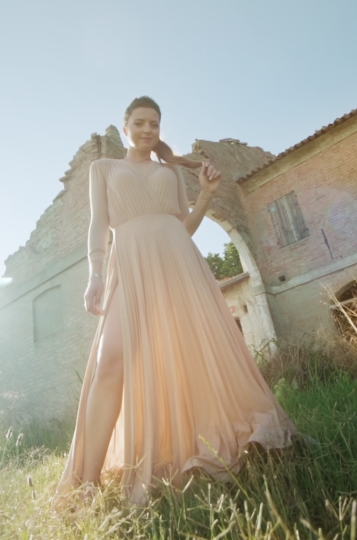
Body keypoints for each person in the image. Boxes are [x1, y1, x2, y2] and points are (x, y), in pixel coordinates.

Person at [56, 96, 298, 506]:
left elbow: (182, 227)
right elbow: (99, 225)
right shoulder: (104, 168)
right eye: (140, 122)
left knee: (187, 354)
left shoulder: (170, 171)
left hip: (178, 263)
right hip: (129, 263)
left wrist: (205, 194)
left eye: (154, 123)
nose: (148, 129)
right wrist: (95, 274)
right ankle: (86, 482)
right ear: (126, 125)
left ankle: (192, 439)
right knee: (109, 360)